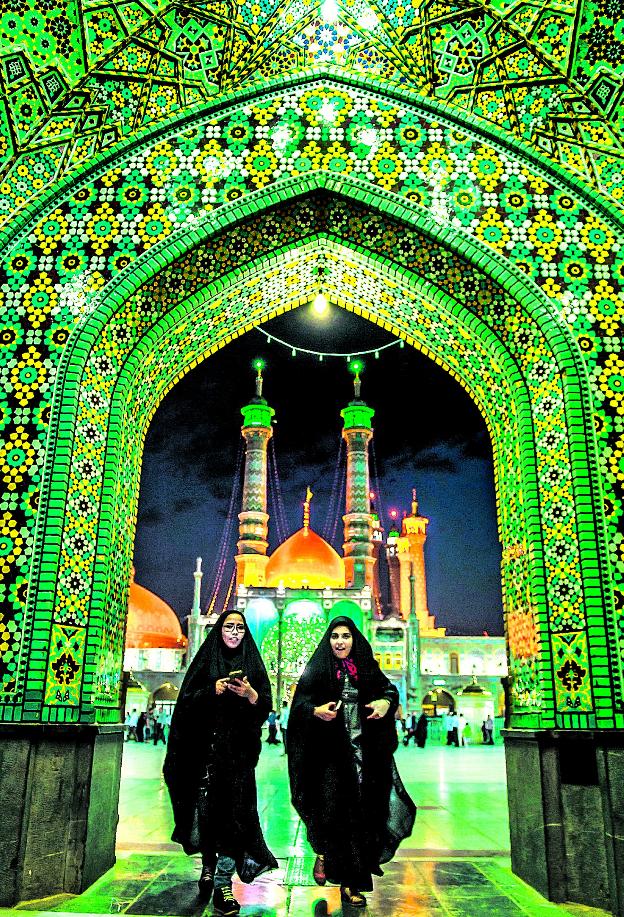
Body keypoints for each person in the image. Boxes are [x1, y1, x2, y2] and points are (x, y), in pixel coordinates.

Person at [287, 616, 416, 909]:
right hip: (328, 758)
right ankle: (322, 851)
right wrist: (315, 711)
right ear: (328, 641)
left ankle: (351, 883)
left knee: (357, 819)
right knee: (329, 813)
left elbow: (388, 690)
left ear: (354, 639)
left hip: (362, 757)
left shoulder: (366, 669)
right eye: (335, 636)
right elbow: (299, 708)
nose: (340, 641)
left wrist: (386, 702)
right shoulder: (318, 672)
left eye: (346, 636)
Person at [163, 610, 278, 916]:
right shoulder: (205, 661)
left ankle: (223, 882)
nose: (235, 632)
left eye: (240, 627)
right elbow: (185, 702)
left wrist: (251, 694)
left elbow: (266, 704)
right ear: (219, 630)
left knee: (233, 819)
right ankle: (208, 867)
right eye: (229, 626)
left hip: (238, 761)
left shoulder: (252, 662)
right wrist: (210, 691)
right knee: (207, 817)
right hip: (205, 758)